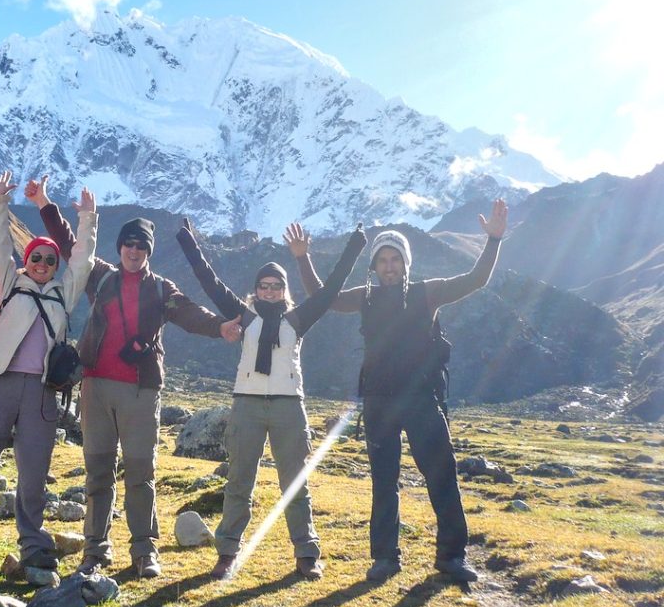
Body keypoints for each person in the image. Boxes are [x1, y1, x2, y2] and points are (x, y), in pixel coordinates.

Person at [26, 176, 242, 578]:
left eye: (142, 246)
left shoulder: (162, 289)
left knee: (141, 473)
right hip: (95, 387)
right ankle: (96, 549)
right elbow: (73, 244)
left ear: (148, 252)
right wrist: (44, 204)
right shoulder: (101, 276)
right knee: (98, 472)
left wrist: (221, 327)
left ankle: (144, 552)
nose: (134, 250)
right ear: (120, 246)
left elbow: (191, 313)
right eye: (129, 243)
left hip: (142, 392)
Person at [290, 199, 508, 584]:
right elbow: (324, 299)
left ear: (406, 263)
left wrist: (493, 241)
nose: (389, 266)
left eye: (396, 259)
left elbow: (475, 280)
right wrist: (303, 258)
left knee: (442, 476)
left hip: (423, 400)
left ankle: (451, 557)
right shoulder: (365, 296)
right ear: (374, 266)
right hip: (378, 402)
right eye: (383, 260)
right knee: (384, 480)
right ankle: (385, 558)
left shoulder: (428, 293)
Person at [176, 219, 367, 581]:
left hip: (287, 407)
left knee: (295, 483)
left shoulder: (297, 319)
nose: (269, 291)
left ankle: (306, 554)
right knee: (239, 481)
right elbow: (208, 280)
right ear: (255, 290)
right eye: (263, 286)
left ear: (284, 290)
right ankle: (227, 552)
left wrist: (355, 244)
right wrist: (188, 239)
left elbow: (330, 292)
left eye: (276, 286)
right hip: (246, 404)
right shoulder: (244, 317)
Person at [0, 171, 97, 571]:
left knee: (34, 472)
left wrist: (87, 219)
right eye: (36, 257)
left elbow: (82, 261)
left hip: (42, 392)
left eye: (50, 260)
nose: (43, 263)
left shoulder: (64, 295)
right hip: (0, 383)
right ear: (26, 261)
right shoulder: (10, 285)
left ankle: (33, 544)